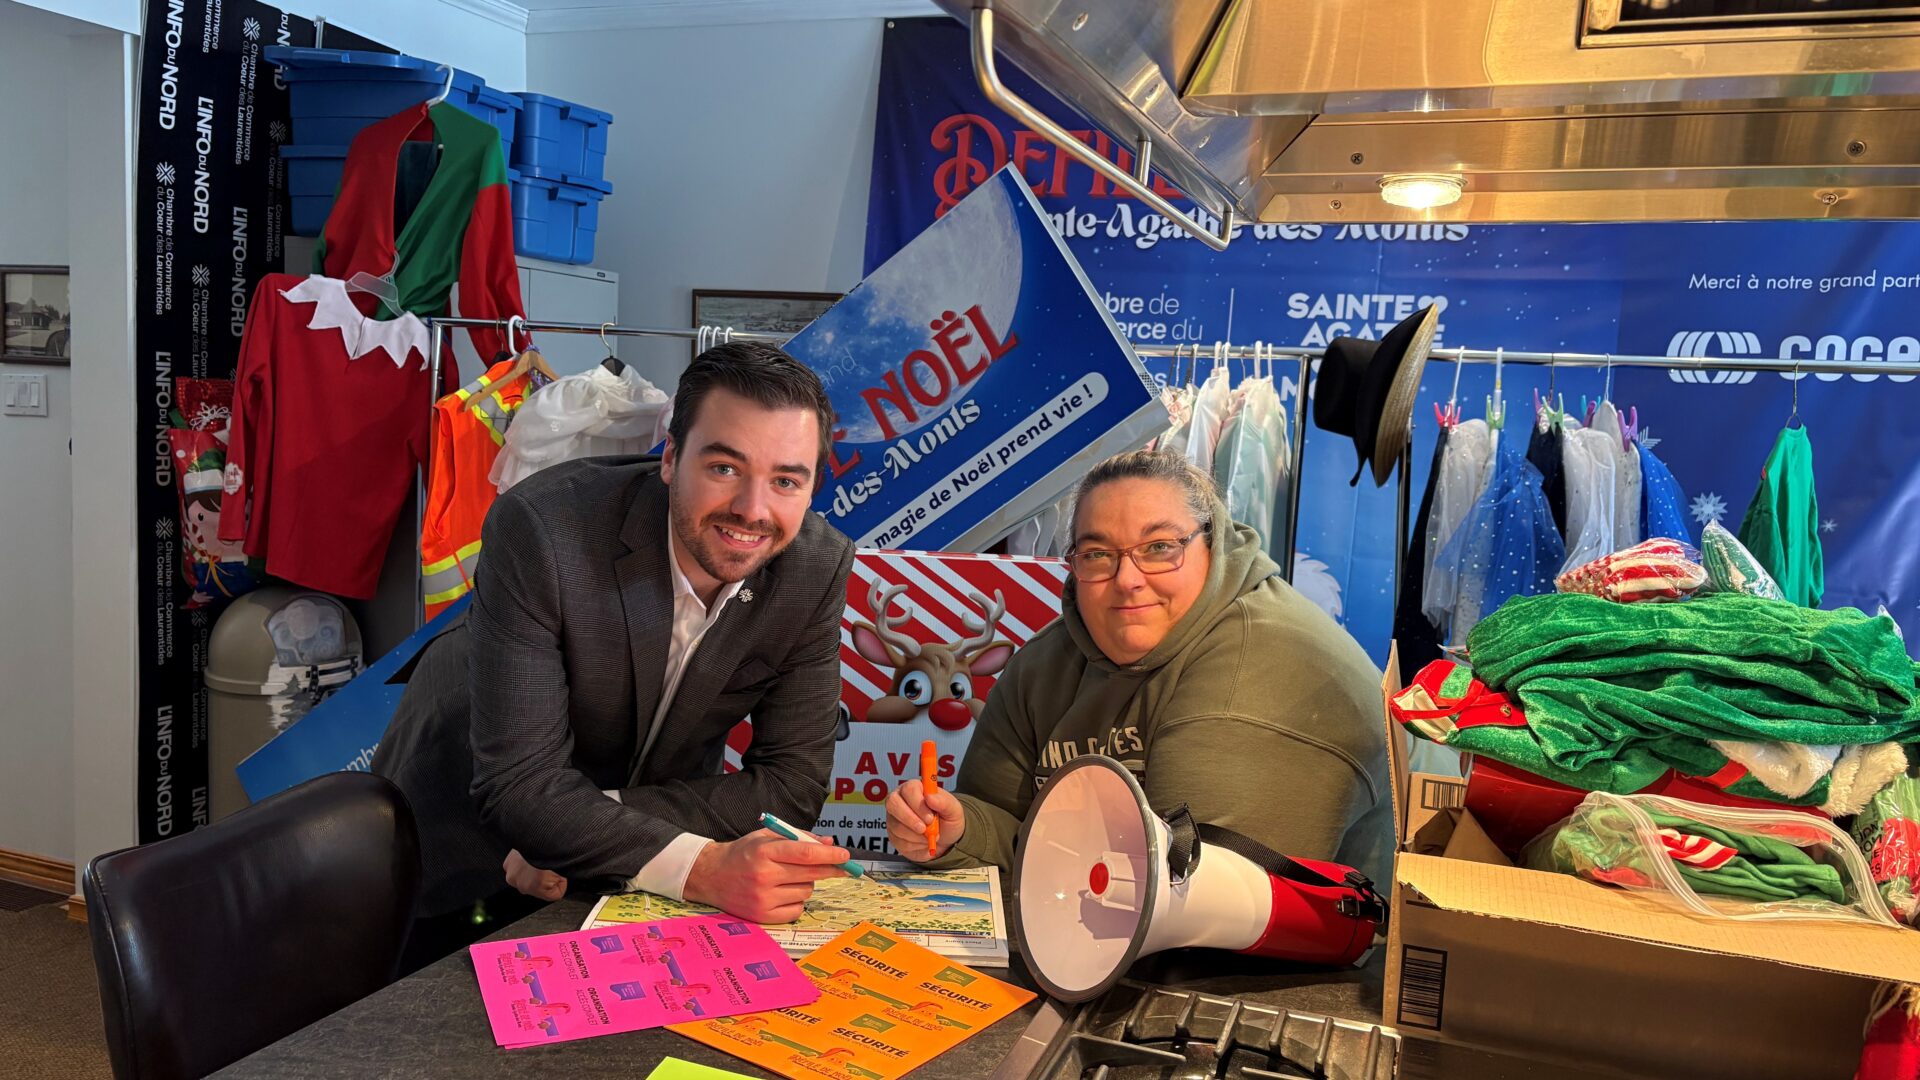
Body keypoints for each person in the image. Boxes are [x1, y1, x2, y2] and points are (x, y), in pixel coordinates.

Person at [374, 342, 857, 958]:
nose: (753, 510)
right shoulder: (543, 529)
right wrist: (705, 867)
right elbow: (520, 783)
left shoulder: (814, 569)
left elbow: (791, 788)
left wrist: (582, 822)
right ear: (671, 459)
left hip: (639, 869)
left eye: (786, 480)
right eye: (724, 468)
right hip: (468, 849)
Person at [884, 448, 1392, 887]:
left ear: (1211, 545)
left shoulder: (1263, 669)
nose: (1127, 579)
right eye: (1098, 554)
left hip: (1297, 978)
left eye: (1159, 549)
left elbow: (1192, 896)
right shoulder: (1046, 662)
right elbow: (1001, 817)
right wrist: (956, 829)